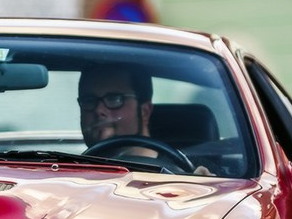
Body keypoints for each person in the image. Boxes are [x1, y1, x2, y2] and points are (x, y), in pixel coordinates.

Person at [77, 64, 210, 175]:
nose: (99, 110)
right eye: (89, 100)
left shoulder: (195, 173)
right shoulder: (67, 173)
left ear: (145, 111)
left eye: (114, 99)